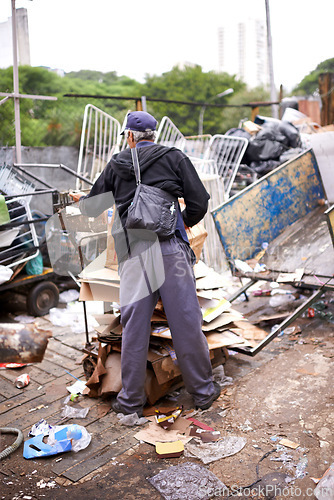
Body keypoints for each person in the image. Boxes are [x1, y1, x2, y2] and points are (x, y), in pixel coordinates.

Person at [70, 111, 220, 416]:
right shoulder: (174, 158)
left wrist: (80, 199)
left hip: (134, 253)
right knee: (186, 324)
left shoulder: (117, 163)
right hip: (170, 252)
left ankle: (130, 403)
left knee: (134, 327)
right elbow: (199, 202)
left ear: (129, 136)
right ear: (153, 135)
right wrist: (183, 222)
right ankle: (203, 393)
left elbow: (92, 207)